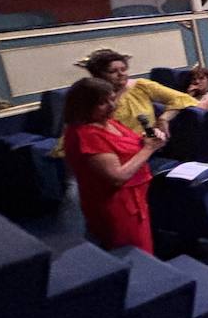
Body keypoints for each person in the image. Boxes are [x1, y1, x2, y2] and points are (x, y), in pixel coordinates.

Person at [61, 77, 166, 252]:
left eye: (112, 98)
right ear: (83, 106)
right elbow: (117, 177)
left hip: (136, 201)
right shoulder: (87, 134)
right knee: (134, 255)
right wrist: (148, 149)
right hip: (118, 207)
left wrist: (148, 138)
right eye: (102, 103)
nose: (112, 106)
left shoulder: (108, 122)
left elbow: (128, 145)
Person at [80, 49, 198, 140]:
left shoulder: (141, 85)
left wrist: (163, 119)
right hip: (113, 150)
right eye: (113, 72)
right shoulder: (90, 97)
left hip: (148, 145)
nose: (121, 74)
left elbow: (182, 98)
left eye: (123, 69)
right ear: (98, 75)